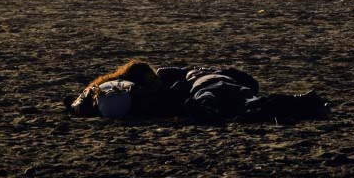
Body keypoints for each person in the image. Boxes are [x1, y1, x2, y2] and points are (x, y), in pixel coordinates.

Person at [67, 59, 330, 123]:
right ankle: (304, 103)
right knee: (250, 101)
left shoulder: (106, 88)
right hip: (218, 86)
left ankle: (304, 103)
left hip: (207, 89)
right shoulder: (186, 77)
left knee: (228, 102)